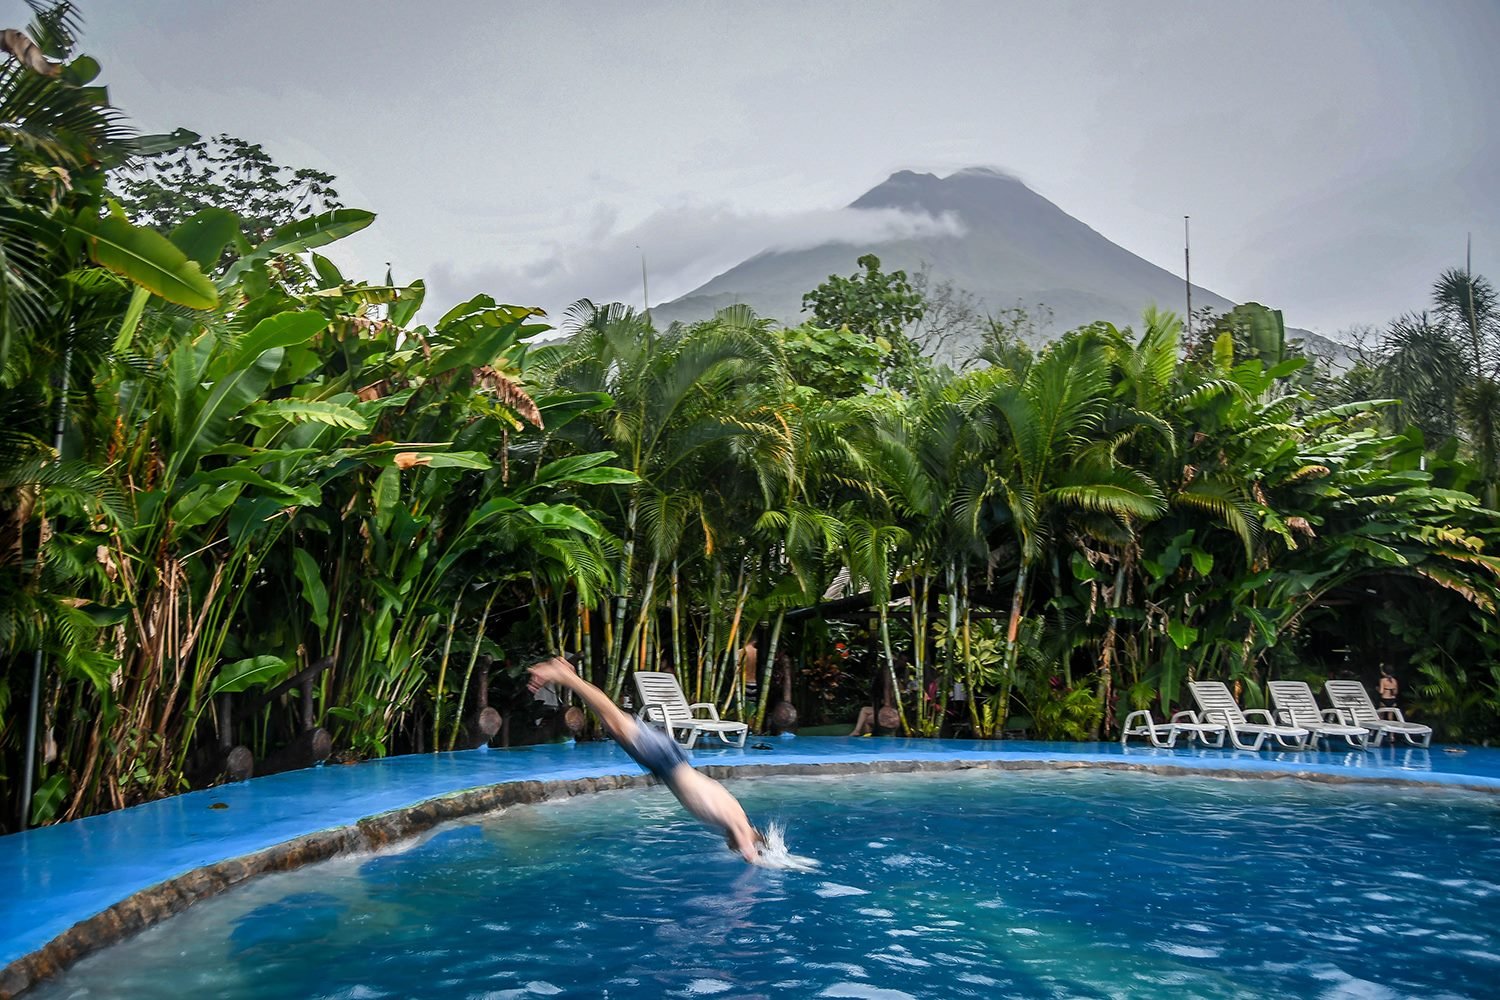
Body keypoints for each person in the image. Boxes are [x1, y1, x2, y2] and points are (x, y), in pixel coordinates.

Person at [526, 656, 765, 863]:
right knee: (613, 718)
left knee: (611, 718)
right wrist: (767, 863)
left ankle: (567, 674)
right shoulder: (739, 825)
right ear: (753, 840)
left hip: (670, 759)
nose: (730, 846)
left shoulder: (739, 815)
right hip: (665, 761)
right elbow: (748, 852)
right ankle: (564, 675)